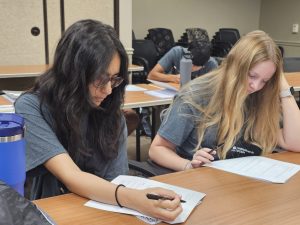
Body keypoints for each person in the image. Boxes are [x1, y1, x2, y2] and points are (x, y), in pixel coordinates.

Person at [14, 19, 182, 221]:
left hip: (104, 210)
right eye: (100, 79)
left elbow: (116, 179)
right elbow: (71, 176)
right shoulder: (31, 107)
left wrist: (141, 199)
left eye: (114, 79)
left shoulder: (111, 113)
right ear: (72, 72)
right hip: (57, 211)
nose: (109, 90)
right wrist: (135, 199)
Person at [148, 30, 300, 172]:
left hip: (245, 181)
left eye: (265, 80)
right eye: (252, 76)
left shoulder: (260, 97)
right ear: (235, 66)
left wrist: (283, 86)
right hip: (204, 181)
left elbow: (295, 142)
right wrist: (188, 165)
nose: (256, 86)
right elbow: (157, 149)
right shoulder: (196, 95)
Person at [148, 40, 218, 83]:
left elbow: (215, 89)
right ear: (188, 52)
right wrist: (172, 78)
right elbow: (151, 75)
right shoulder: (176, 52)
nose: (191, 68)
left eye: (196, 67)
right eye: (191, 63)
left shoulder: (212, 64)